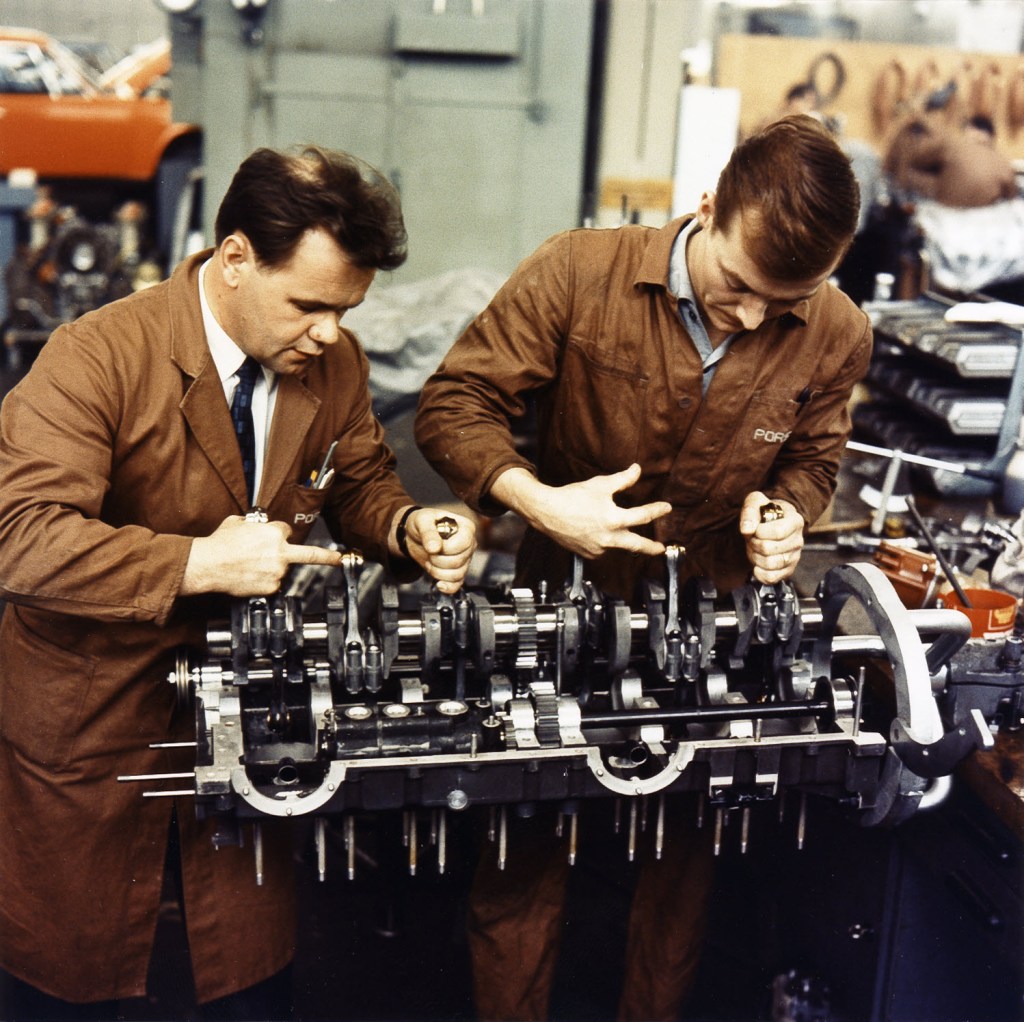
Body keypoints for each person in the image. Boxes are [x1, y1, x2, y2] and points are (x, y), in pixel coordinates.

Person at [0, 145, 476, 1019]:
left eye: (345, 309)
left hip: (244, 719)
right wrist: (198, 563)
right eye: (310, 306)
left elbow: (356, 481)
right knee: (71, 980)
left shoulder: (333, 363)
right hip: (93, 723)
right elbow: (20, 537)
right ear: (234, 258)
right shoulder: (97, 357)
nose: (329, 333)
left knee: (242, 978)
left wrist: (407, 527)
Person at [415, 114, 872, 1021]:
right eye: (739, 286)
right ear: (706, 207)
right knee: (525, 842)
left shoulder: (838, 330)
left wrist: (788, 514)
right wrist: (539, 502)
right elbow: (454, 403)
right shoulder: (579, 270)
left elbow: (815, 460)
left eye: (786, 302)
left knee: (682, 862)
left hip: (710, 619)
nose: (753, 317)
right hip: (561, 600)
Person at [883, 111, 1018, 208]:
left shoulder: (955, 146)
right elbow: (1011, 197)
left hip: (944, 207)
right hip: (981, 211)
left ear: (971, 129)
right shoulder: (1004, 163)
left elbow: (918, 159)